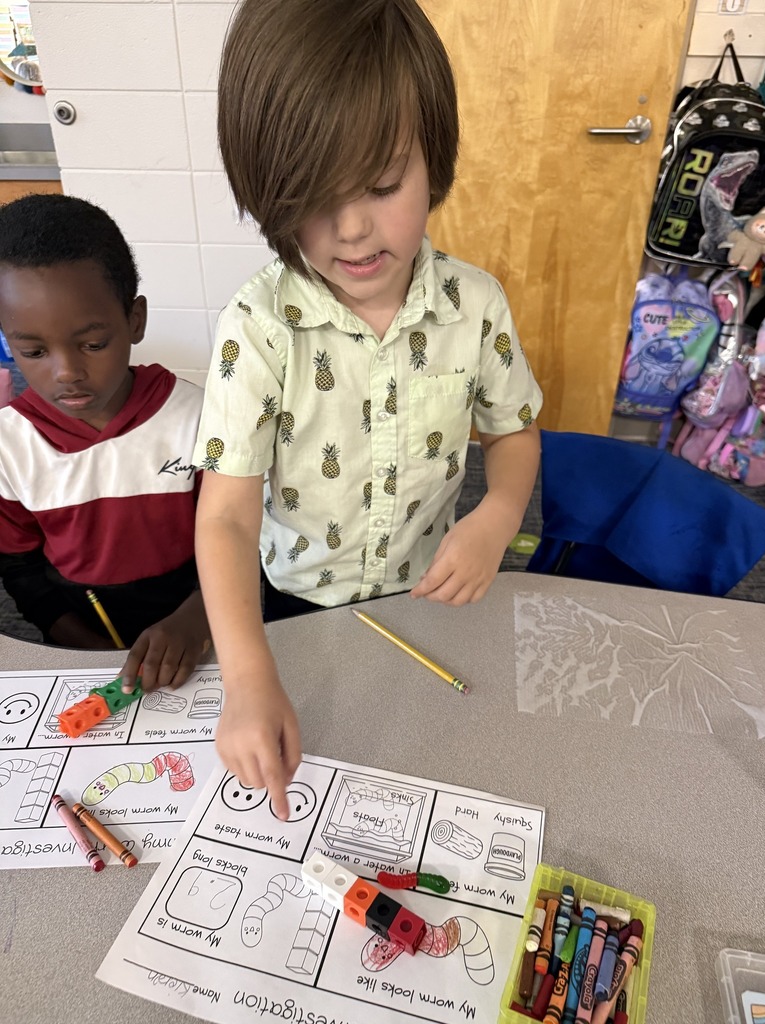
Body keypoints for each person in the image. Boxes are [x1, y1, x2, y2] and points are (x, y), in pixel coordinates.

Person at [194, 0, 543, 819]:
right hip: (290, 604)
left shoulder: (477, 305)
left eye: (383, 186)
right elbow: (226, 519)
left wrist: (496, 514)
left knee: (421, 762)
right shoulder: (259, 324)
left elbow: (514, 432)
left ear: (436, 162)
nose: (351, 230)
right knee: (310, 775)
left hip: (428, 594)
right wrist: (245, 679)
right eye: (314, 198)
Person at [0, 193, 210, 690]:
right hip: (82, 637)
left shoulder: (200, 418)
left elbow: (246, 539)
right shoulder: (10, 446)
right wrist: (81, 646)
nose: (67, 372)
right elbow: (19, 570)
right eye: (33, 351)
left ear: (134, 320)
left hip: (200, 624)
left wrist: (197, 619)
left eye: (93, 344)